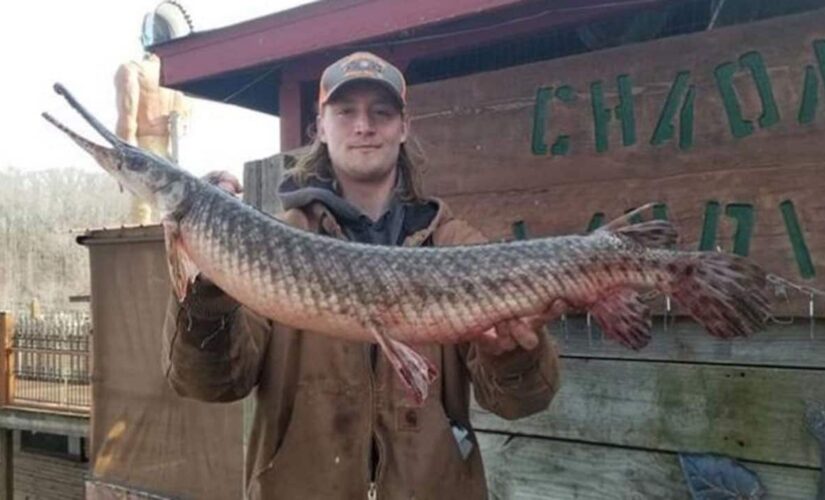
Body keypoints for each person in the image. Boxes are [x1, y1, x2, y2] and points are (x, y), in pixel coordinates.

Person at [162, 51, 561, 499]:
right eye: (346, 110)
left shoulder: (454, 244)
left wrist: (513, 356)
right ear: (321, 126)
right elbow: (212, 383)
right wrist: (208, 295)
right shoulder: (274, 245)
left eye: (381, 113)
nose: (364, 125)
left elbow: (519, 402)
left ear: (403, 128)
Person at [115, 1, 193, 224]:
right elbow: (184, 121)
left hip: (143, 150)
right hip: (170, 153)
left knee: (142, 214)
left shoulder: (131, 71)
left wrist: (123, 166)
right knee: (168, 212)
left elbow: (126, 124)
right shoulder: (179, 76)